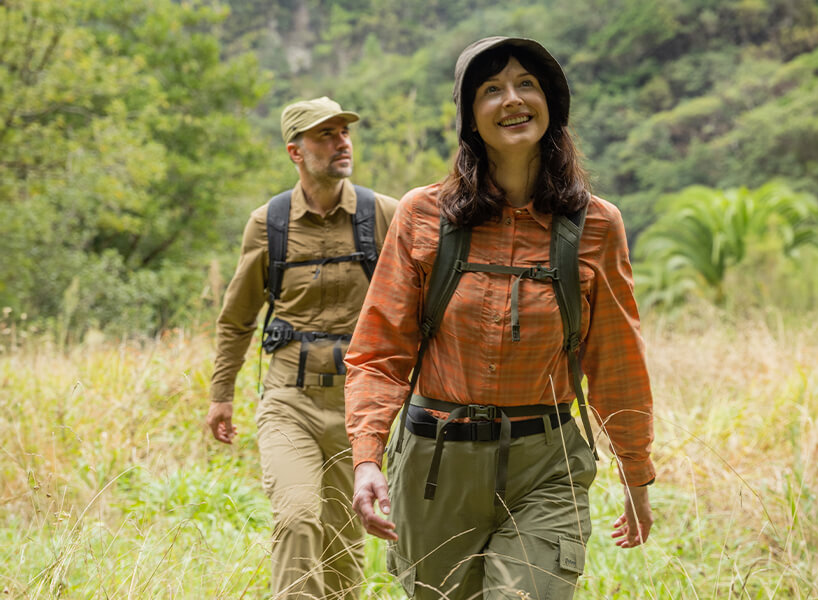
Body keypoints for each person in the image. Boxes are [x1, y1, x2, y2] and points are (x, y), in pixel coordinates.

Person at [343, 37, 655, 599]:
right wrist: (367, 458)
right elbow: (379, 351)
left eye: (526, 85)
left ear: (550, 103)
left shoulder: (597, 224)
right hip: (436, 465)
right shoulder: (422, 214)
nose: (512, 100)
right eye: (492, 90)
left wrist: (635, 474)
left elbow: (616, 360)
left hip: (547, 464)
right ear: (469, 117)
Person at [206, 96, 398, 599]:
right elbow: (236, 317)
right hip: (290, 401)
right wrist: (220, 394)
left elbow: (420, 313)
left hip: (360, 409)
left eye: (344, 132)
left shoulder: (383, 215)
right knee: (296, 517)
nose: (342, 143)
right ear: (296, 151)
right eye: (325, 135)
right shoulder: (268, 222)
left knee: (342, 543)